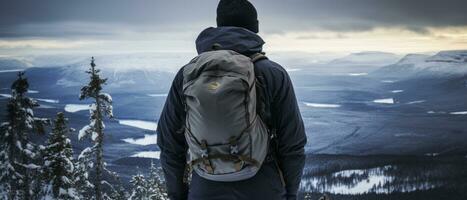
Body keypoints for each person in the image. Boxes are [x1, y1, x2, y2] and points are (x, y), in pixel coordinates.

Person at [157, 0, 307, 199]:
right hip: (264, 188)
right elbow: (293, 144)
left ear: (219, 25)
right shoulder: (272, 73)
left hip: (204, 188)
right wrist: (290, 195)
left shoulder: (188, 74)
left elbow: (169, 142)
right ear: (255, 29)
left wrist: (178, 195)